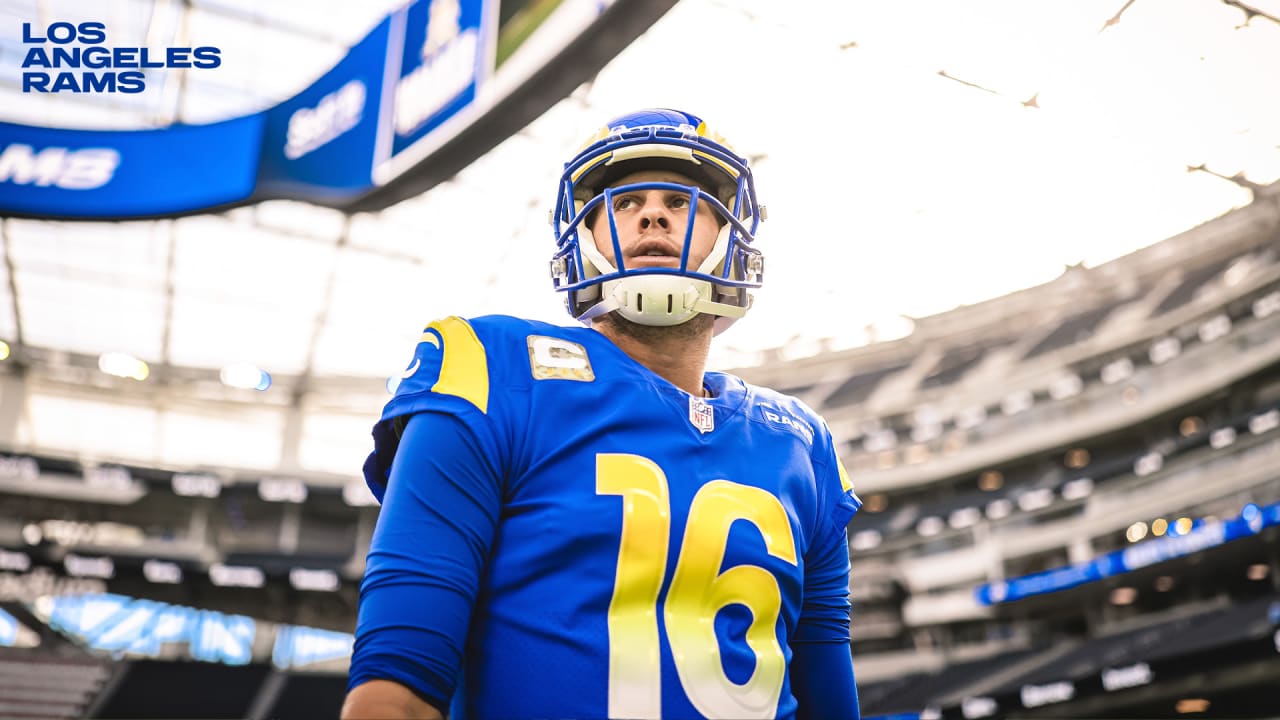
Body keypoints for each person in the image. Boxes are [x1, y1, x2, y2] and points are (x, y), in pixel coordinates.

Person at [342, 108, 862, 720]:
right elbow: (395, 687)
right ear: (583, 237)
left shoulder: (803, 443)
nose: (652, 215)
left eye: (679, 200)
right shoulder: (491, 368)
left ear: (730, 240)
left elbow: (829, 696)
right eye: (624, 203)